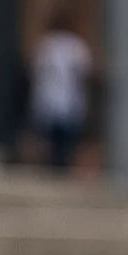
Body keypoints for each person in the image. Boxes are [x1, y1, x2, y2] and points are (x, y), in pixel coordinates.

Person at [30, 9, 92, 170]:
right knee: (63, 145)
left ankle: (55, 167)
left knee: (53, 144)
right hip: (66, 103)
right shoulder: (74, 46)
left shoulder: (46, 46)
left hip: (53, 102)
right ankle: (60, 167)